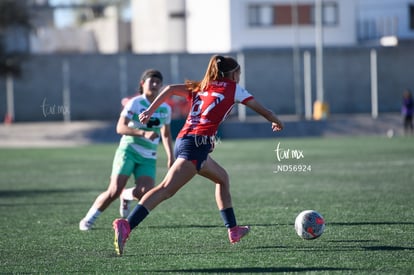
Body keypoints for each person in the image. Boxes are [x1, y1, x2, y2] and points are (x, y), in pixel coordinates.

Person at [112, 55, 284, 255]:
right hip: (195, 145)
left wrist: (150, 111)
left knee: (222, 178)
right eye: (239, 72)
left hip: (185, 141)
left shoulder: (202, 86)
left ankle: (233, 230)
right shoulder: (234, 89)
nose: (239, 76)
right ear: (233, 74)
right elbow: (263, 110)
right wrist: (276, 121)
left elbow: (168, 89)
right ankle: (127, 225)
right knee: (165, 189)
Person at [79, 69, 175, 231]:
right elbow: (120, 127)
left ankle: (126, 195)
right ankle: (88, 219)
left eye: (158, 82)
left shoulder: (165, 108)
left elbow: (166, 134)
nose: (155, 85)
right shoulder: (135, 103)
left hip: (148, 156)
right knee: (114, 190)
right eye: (151, 81)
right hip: (128, 150)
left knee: (145, 193)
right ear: (142, 84)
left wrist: (171, 157)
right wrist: (143, 133)